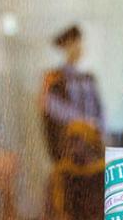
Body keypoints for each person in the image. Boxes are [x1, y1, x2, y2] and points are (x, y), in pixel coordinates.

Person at [39, 24, 104, 165]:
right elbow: (50, 105)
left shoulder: (88, 78)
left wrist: (97, 128)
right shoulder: (55, 77)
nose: (80, 48)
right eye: (76, 43)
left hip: (91, 144)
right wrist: (82, 122)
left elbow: (99, 110)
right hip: (70, 143)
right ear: (68, 46)